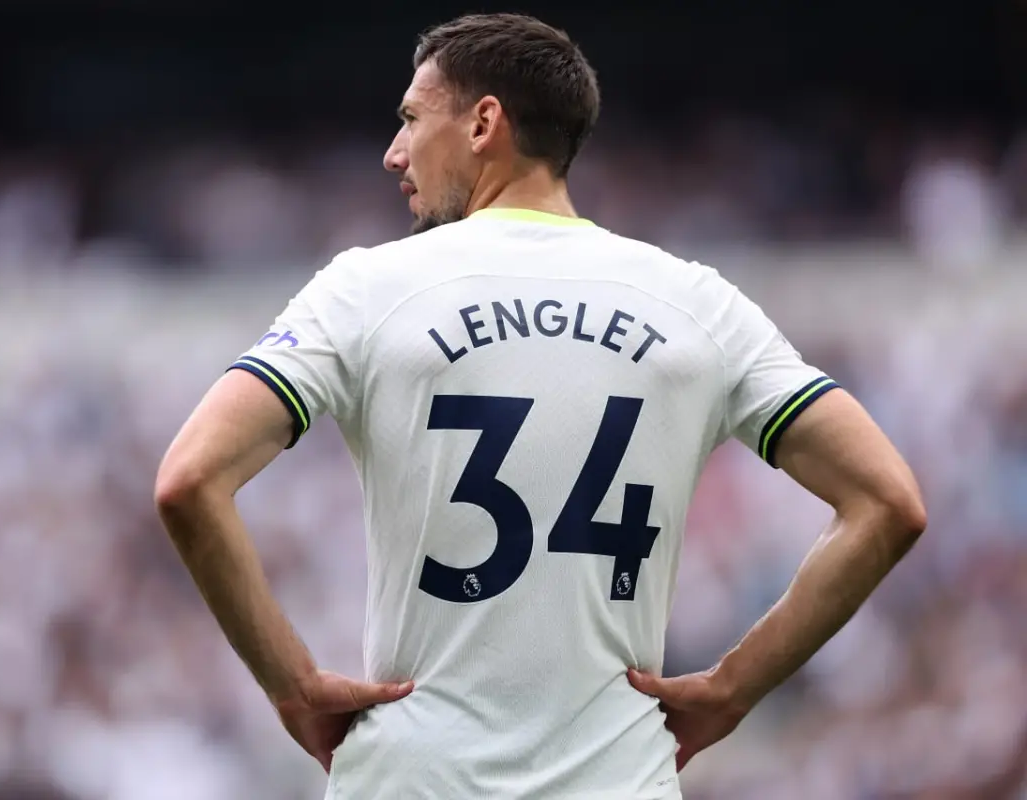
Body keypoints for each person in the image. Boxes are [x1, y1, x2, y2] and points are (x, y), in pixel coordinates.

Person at [154, 12, 927, 799]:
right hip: (617, 780)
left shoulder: (367, 289)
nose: (395, 152)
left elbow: (188, 479)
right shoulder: (698, 304)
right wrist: (734, 690)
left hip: (415, 780)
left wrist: (292, 685)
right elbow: (888, 502)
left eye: (411, 120)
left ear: (484, 121)